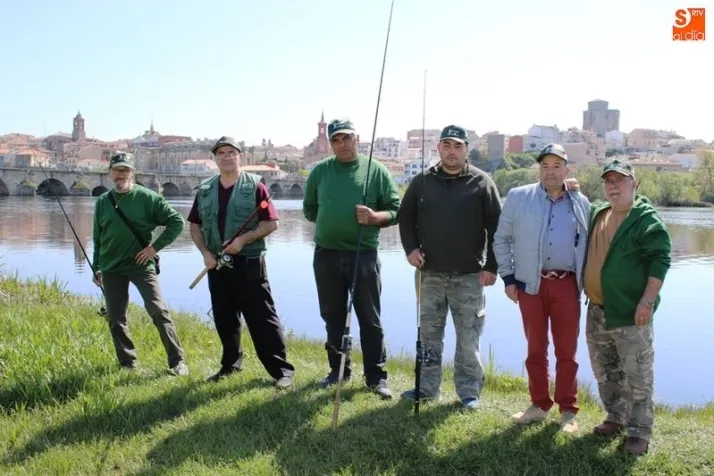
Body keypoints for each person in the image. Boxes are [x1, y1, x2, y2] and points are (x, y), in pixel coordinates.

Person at [396, 124, 502, 409]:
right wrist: (410, 249)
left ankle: (469, 392)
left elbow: (497, 228)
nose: (452, 151)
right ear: (439, 148)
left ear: (466, 149)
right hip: (429, 273)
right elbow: (405, 217)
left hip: (470, 276)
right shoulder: (422, 181)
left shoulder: (482, 183)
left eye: (457, 146)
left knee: (468, 337)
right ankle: (426, 387)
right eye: (447, 145)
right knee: (429, 336)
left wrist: (492, 266)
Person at [492, 143, 590, 433]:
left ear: (567, 170)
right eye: (545, 166)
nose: (550, 171)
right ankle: (538, 405)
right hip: (530, 285)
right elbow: (501, 239)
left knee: (567, 351)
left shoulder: (581, 201)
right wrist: (508, 278)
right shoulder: (518, 197)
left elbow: (590, 241)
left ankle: (568, 411)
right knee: (535, 348)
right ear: (538, 169)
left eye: (557, 166)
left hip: (567, 285)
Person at [303, 119, 401, 400]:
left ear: (357, 139)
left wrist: (375, 217)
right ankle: (338, 371)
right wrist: (330, 224)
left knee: (370, 318)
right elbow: (310, 209)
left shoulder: (377, 171)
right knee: (332, 316)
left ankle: (376, 378)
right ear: (330, 144)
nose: (342, 144)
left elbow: (396, 210)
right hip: (326, 255)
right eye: (336, 140)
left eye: (346, 138)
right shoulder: (320, 172)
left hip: (363, 255)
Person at [186, 136, 295, 388]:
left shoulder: (257, 186)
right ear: (215, 158)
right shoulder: (205, 189)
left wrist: (243, 239)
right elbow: (194, 226)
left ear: (240, 156)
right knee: (224, 318)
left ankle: (282, 371)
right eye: (221, 153)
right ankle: (230, 365)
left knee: (262, 318)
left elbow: (271, 224)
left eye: (231, 152)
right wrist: (205, 253)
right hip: (217, 264)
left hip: (249, 263)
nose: (226, 157)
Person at [583, 159, 671, 455]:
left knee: (637, 375)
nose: (613, 186)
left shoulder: (645, 220)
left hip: (631, 312)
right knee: (605, 370)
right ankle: (615, 418)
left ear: (634, 183)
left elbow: (661, 259)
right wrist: (572, 188)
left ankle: (639, 432)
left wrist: (647, 301)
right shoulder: (599, 213)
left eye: (620, 180)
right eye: (608, 181)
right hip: (597, 310)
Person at [92, 152, 188, 376]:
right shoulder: (102, 202)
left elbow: (177, 222)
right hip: (111, 267)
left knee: (158, 311)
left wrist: (154, 248)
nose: (120, 174)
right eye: (117, 170)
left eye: (125, 170)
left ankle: (177, 362)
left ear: (132, 173)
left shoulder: (148, 198)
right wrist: (97, 267)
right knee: (115, 318)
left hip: (141, 266)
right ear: (110, 173)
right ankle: (128, 363)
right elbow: (98, 239)